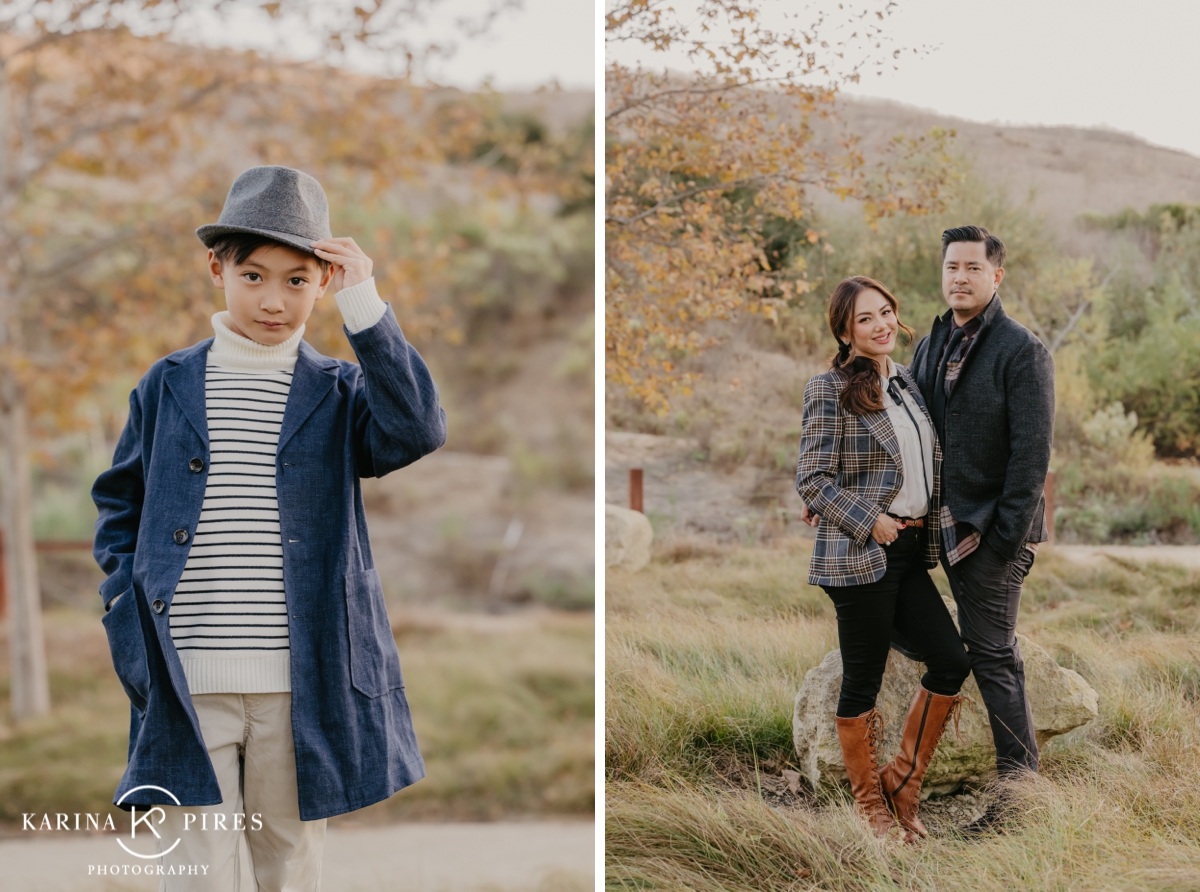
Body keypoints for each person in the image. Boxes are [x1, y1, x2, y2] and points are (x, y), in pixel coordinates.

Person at [92, 165, 447, 889]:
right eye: (253, 277)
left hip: (300, 683)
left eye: (296, 281)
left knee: (289, 865)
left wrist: (364, 303)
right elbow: (118, 502)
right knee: (196, 875)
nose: (273, 300)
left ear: (321, 284)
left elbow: (416, 428)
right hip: (187, 680)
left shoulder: (342, 391)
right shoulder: (168, 383)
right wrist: (123, 612)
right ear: (216, 270)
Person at [796, 275, 971, 842]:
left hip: (911, 549)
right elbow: (812, 478)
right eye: (866, 319)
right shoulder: (828, 388)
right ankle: (871, 808)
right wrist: (868, 518)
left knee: (950, 660)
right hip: (859, 554)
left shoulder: (911, 386)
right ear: (846, 332)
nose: (881, 325)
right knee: (862, 682)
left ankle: (903, 783)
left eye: (886, 312)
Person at [908, 225, 1054, 834]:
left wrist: (1001, 543)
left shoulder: (1022, 350)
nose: (959, 277)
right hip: (931, 528)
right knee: (928, 637)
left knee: (993, 657)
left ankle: (1019, 799)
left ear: (997, 276)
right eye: (951, 267)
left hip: (989, 535)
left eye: (972, 267)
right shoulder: (932, 340)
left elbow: (1031, 460)